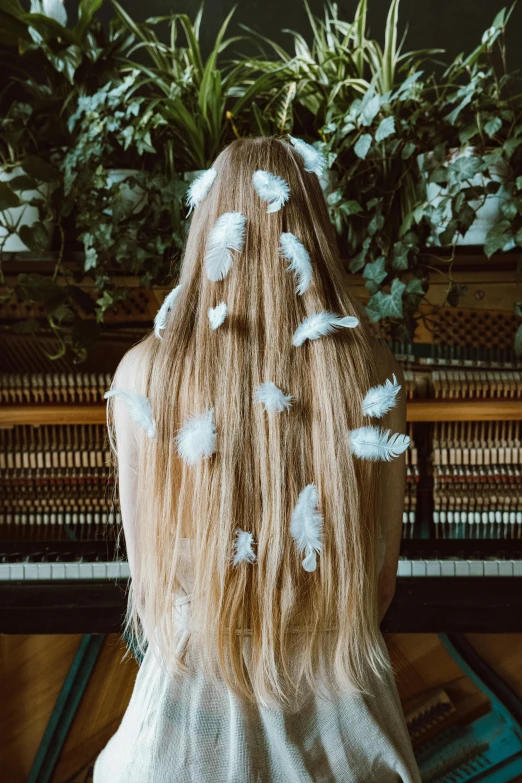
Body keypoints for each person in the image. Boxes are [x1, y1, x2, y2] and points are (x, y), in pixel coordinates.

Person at [94, 136, 421, 782]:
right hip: (340, 733)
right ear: (315, 231)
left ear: (206, 227)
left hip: (180, 745)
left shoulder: (145, 372)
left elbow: (150, 581)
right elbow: (379, 586)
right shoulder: (368, 370)